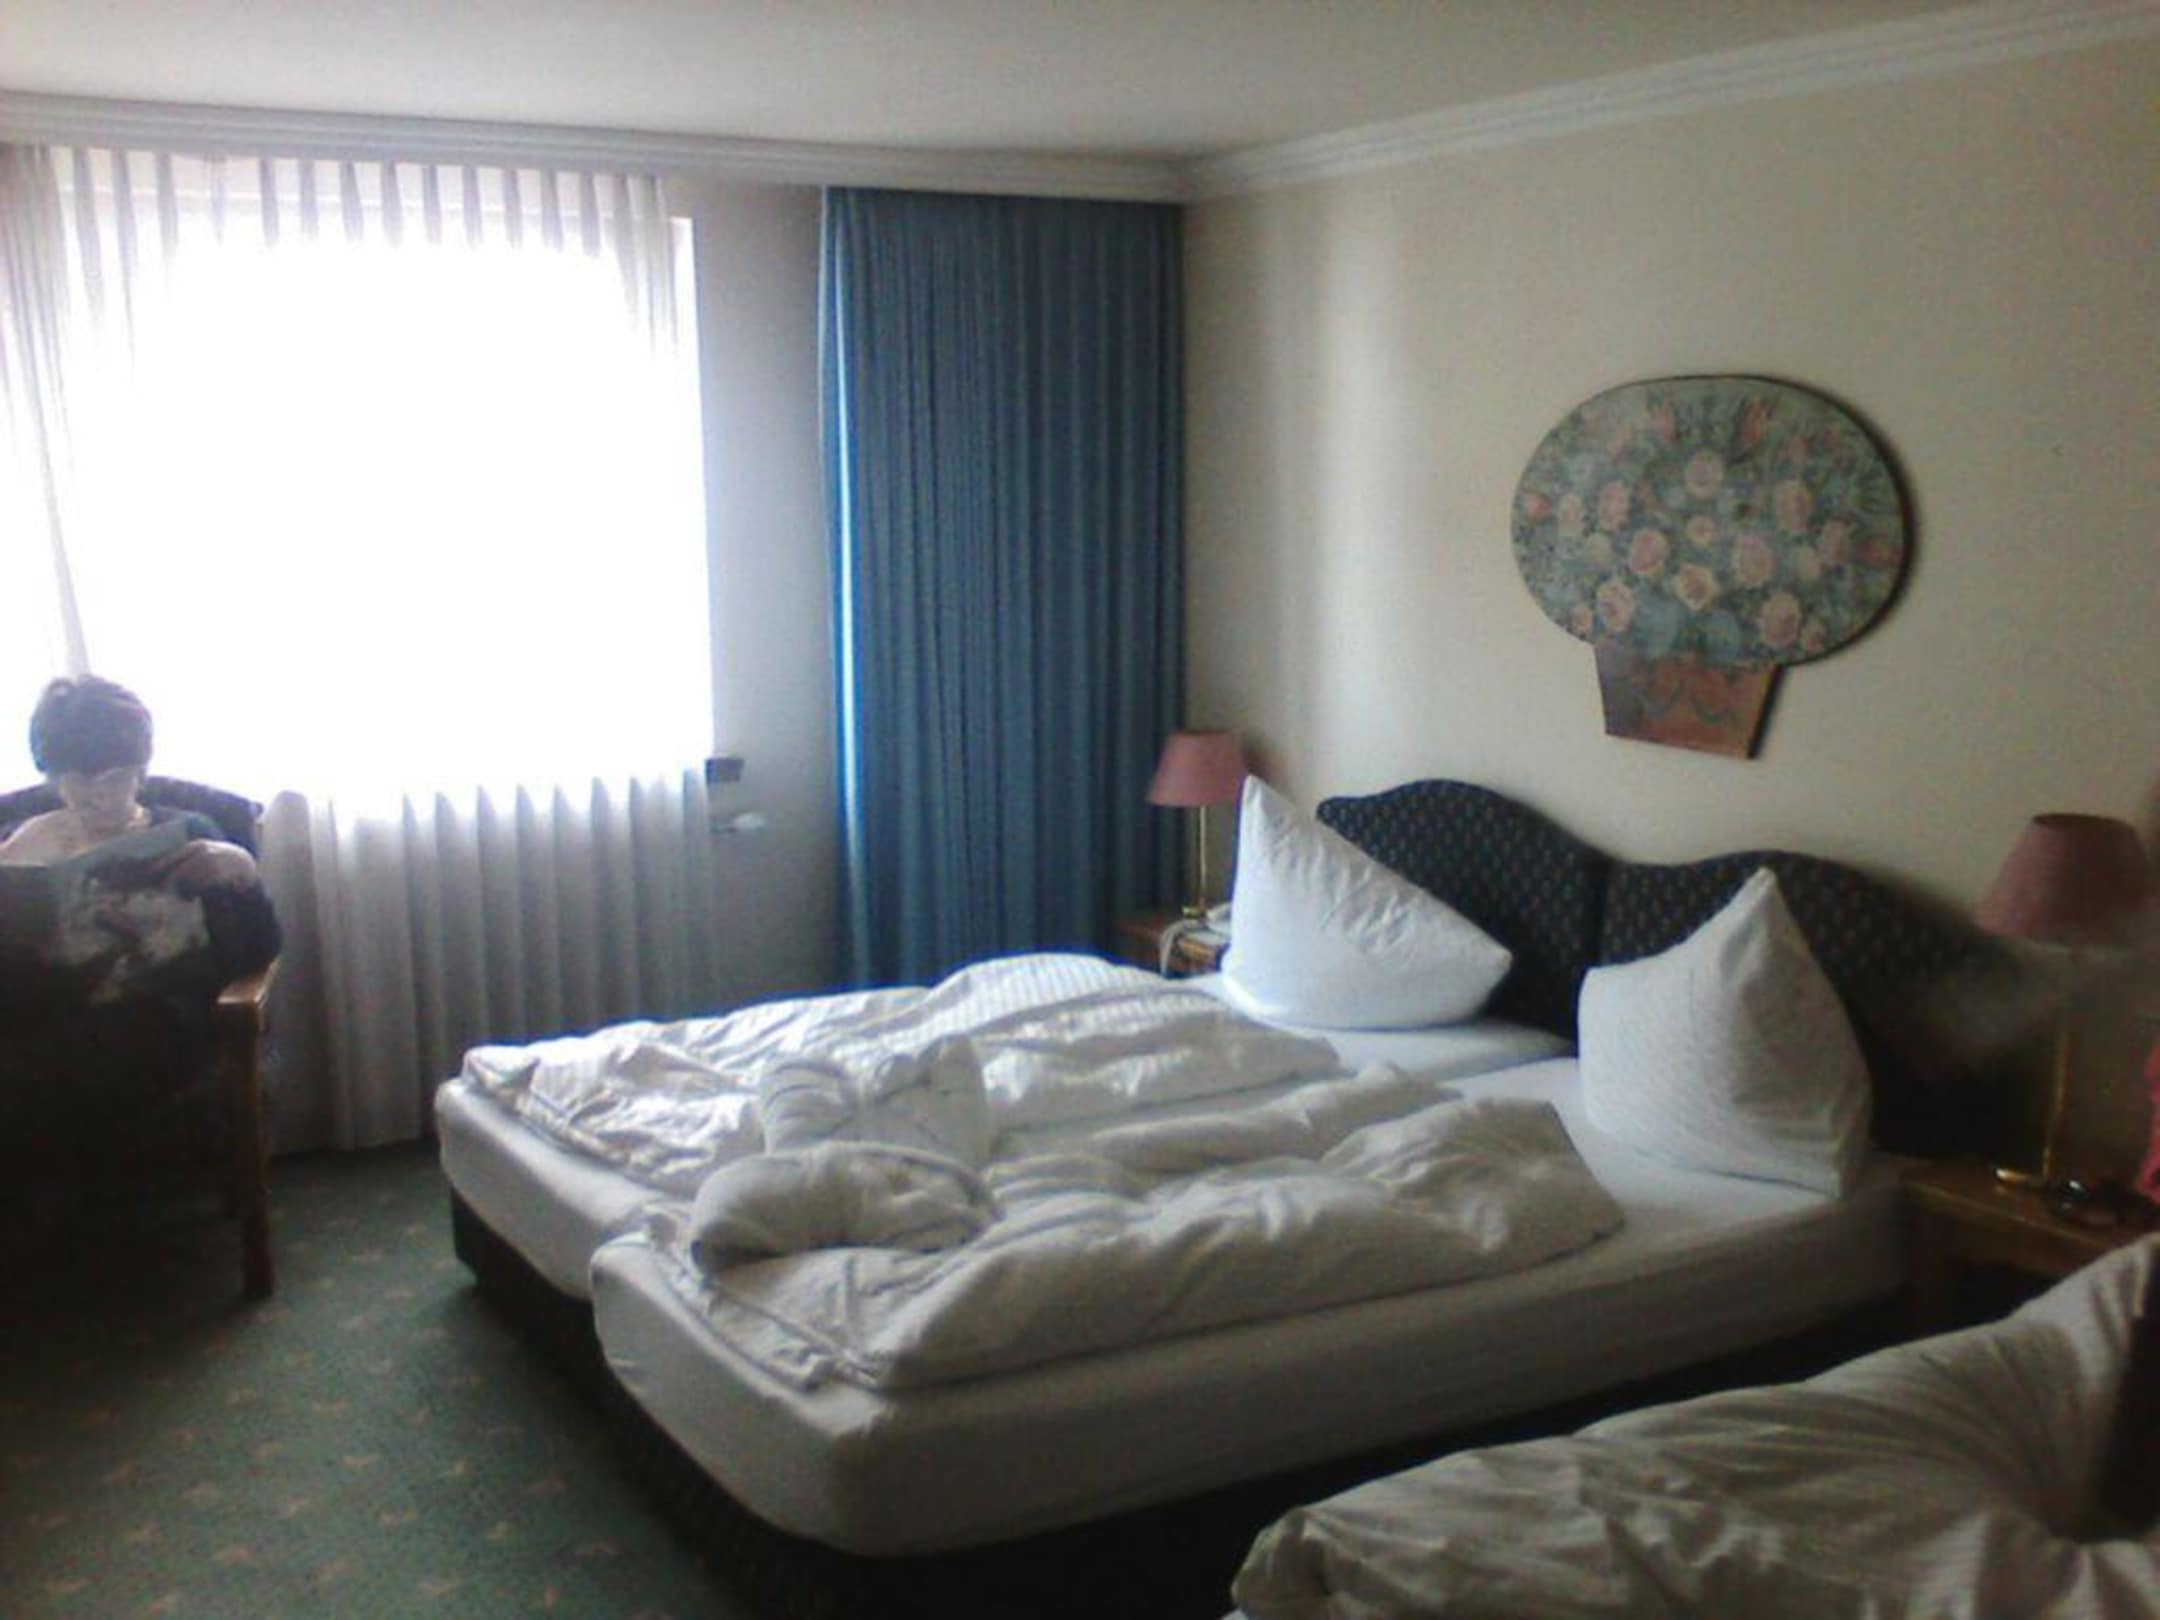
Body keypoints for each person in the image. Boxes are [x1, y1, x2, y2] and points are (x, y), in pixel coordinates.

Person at [0, 676, 280, 1210]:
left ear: (141, 768)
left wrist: (242, 875)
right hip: (44, 1015)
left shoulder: (191, 832)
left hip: (160, 1024)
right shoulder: (22, 840)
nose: (99, 796)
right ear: (53, 777)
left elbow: (256, 954)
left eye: (116, 777)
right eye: (79, 781)